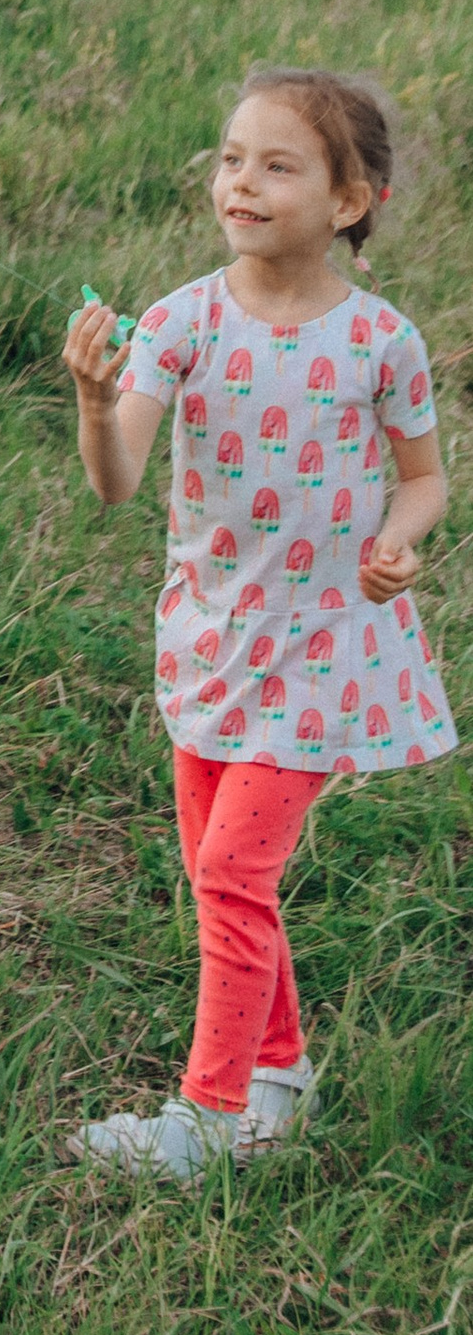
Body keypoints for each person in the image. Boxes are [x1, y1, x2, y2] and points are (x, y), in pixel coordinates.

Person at [62, 67, 451, 1184]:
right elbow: (118, 480)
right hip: (210, 638)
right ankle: (279, 1067)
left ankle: (206, 1113)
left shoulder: (382, 340)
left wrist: (398, 537)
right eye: (232, 156)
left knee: (233, 867)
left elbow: (424, 478)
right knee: (212, 866)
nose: (242, 180)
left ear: (348, 199)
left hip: (325, 648)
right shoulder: (182, 320)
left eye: (278, 163)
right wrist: (95, 403)